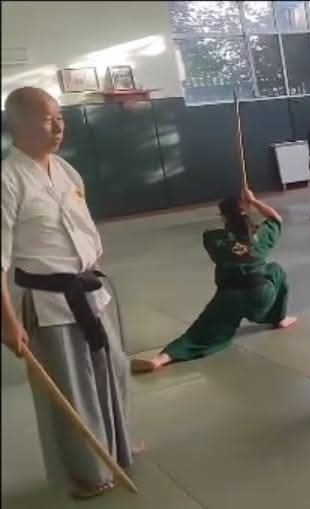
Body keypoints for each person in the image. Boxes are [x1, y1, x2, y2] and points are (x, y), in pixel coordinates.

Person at [1, 87, 137, 499]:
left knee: (113, 370)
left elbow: (82, 225)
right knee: (71, 389)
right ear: (18, 124)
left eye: (60, 117)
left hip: (91, 289)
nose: (59, 126)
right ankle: (88, 471)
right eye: (48, 119)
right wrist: (8, 322)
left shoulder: (65, 170)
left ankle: (117, 449)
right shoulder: (7, 179)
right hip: (49, 301)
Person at [131, 189, 297, 373]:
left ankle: (161, 359)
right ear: (248, 213)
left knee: (199, 333)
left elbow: (230, 241)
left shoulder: (214, 239)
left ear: (224, 217)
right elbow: (276, 219)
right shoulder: (261, 238)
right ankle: (279, 318)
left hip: (229, 298)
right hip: (261, 296)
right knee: (275, 270)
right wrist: (254, 201)